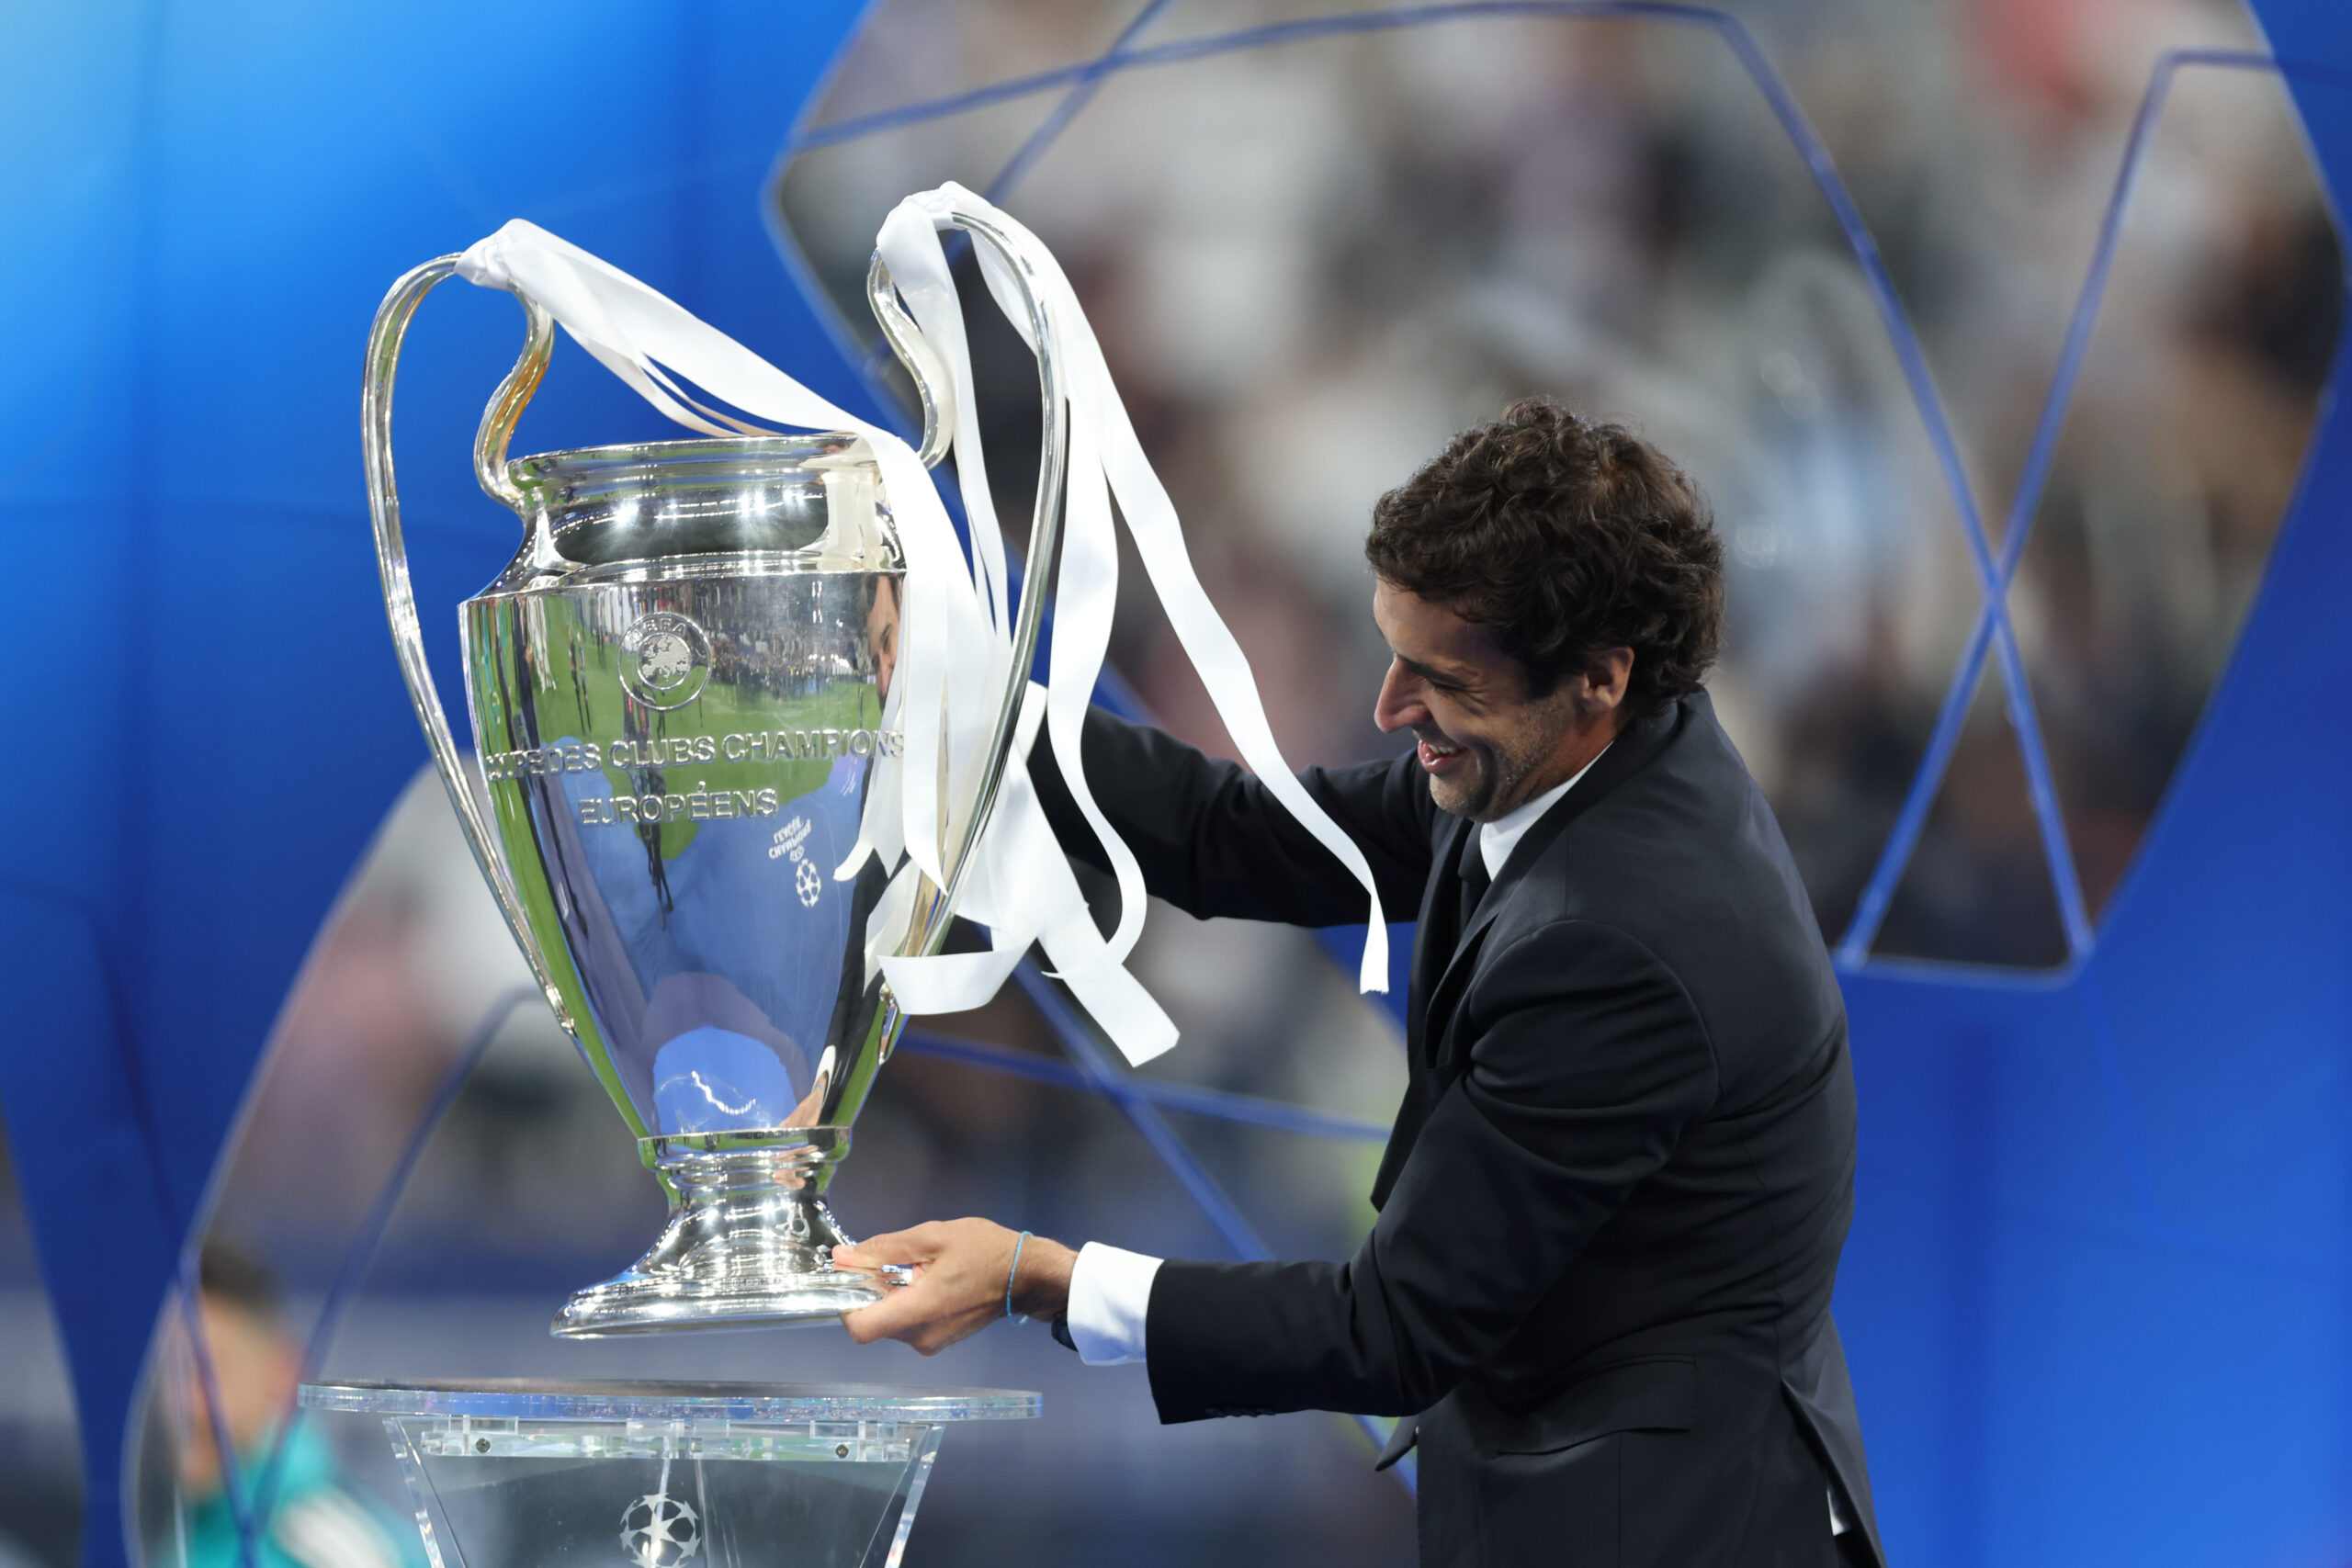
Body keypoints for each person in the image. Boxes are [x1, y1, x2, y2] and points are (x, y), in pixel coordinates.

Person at [835, 399, 1884, 1568]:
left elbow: (1392, 1328)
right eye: (1393, 653)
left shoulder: (1621, 950)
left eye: (1441, 678)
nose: (1390, 709)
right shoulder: (1584, 750)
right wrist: (962, 703)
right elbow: (1239, 834)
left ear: (1597, 675)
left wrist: (1043, 1279)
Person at [160, 1243, 419, 1568]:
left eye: (206, 1372)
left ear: (280, 1376)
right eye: (162, 1374)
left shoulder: (353, 1556)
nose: (181, 1404)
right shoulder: (130, 1523)